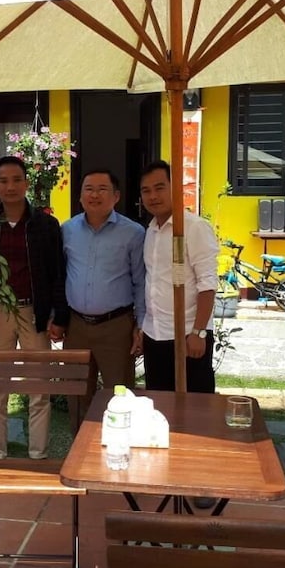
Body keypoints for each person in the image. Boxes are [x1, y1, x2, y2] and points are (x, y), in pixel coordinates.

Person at [0, 155, 69, 459]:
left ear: (27, 183)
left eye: (17, 180)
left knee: (39, 387)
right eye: (3, 181)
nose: (10, 186)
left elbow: (57, 273)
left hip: (34, 313)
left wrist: (58, 315)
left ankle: (38, 454)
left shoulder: (45, 225)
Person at [62, 168, 145, 406]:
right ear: (80, 196)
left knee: (120, 396)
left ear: (116, 196)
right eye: (88, 189)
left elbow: (140, 282)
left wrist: (140, 325)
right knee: (76, 396)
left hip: (116, 327)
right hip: (76, 326)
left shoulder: (133, 233)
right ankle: (79, 432)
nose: (94, 195)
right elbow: (60, 275)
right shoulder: (67, 230)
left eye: (102, 189)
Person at [139, 159, 220, 394]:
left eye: (159, 188)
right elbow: (154, 282)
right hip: (155, 335)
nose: (153, 196)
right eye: (146, 191)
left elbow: (207, 284)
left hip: (187, 336)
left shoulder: (194, 227)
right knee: (158, 403)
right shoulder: (151, 231)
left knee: (195, 406)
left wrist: (198, 332)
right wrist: (144, 328)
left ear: (175, 188)